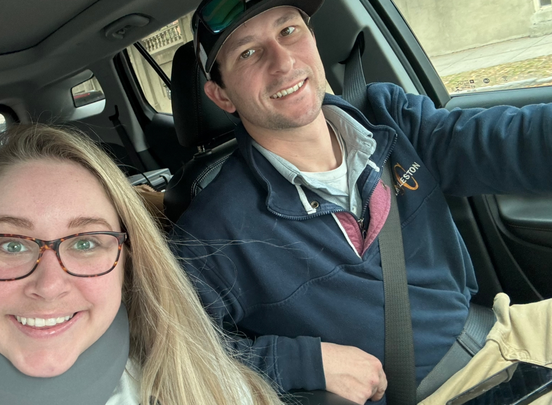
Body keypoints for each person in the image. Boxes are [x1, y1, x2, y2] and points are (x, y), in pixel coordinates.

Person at [171, 0, 552, 404]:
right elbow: (175, 357)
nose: (283, 62)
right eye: (248, 52)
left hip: (497, 334)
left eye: (288, 31)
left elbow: (509, 140)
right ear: (221, 96)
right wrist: (303, 362)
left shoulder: (389, 118)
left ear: (312, 38)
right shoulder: (213, 231)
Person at [0, 125, 285, 405]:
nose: (48, 285)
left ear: (129, 263)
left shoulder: (211, 388)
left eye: (85, 242)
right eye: (11, 244)